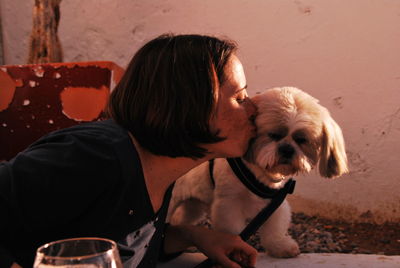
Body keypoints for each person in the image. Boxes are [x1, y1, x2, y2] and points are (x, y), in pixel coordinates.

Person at [0, 34, 258, 268]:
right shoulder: (93, 156)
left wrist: (194, 236)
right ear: (190, 103)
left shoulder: (160, 167)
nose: (253, 110)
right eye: (240, 98)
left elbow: (125, 242)